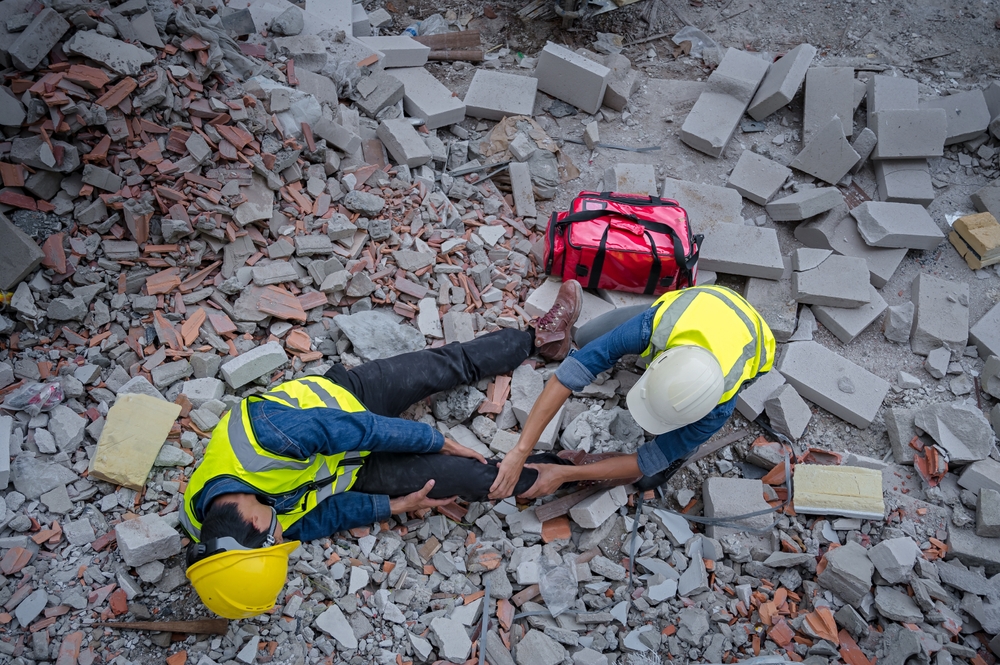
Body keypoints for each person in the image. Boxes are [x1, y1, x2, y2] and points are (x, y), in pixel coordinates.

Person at [180, 282, 593, 619]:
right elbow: (319, 518)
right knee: (476, 481)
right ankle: (572, 468)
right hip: (354, 471)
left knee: (445, 366)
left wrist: (439, 441)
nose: (283, 535)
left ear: (250, 521)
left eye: (275, 538)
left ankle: (539, 338)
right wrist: (393, 507)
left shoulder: (267, 440)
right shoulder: (221, 534)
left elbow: (364, 430)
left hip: (347, 403)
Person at [492, 284, 776, 501]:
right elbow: (567, 376)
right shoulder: (657, 327)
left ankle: (683, 445)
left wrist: (566, 474)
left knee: (647, 477)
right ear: (655, 364)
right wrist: (520, 450)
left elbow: (644, 461)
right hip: (701, 304)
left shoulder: (718, 409)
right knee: (587, 337)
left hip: (752, 337)